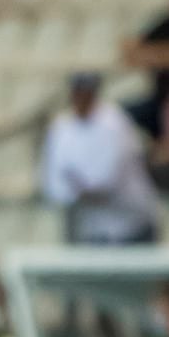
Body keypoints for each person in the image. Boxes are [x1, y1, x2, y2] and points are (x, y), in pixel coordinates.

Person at [40, 72, 159, 244]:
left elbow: (107, 182)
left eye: (86, 92)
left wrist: (77, 187)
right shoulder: (61, 127)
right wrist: (78, 190)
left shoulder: (115, 122)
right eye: (77, 92)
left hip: (131, 226)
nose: (81, 98)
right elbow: (54, 186)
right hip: (92, 231)